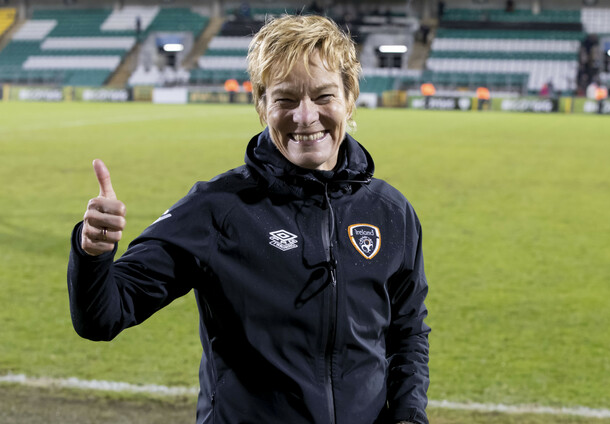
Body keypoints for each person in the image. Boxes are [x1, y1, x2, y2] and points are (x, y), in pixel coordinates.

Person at [68, 14, 430, 424]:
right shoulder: (217, 209)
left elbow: (408, 331)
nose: (305, 116)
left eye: (323, 96)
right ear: (262, 105)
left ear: (350, 98)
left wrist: (408, 416)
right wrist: (93, 252)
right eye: (285, 99)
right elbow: (103, 316)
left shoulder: (391, 211)